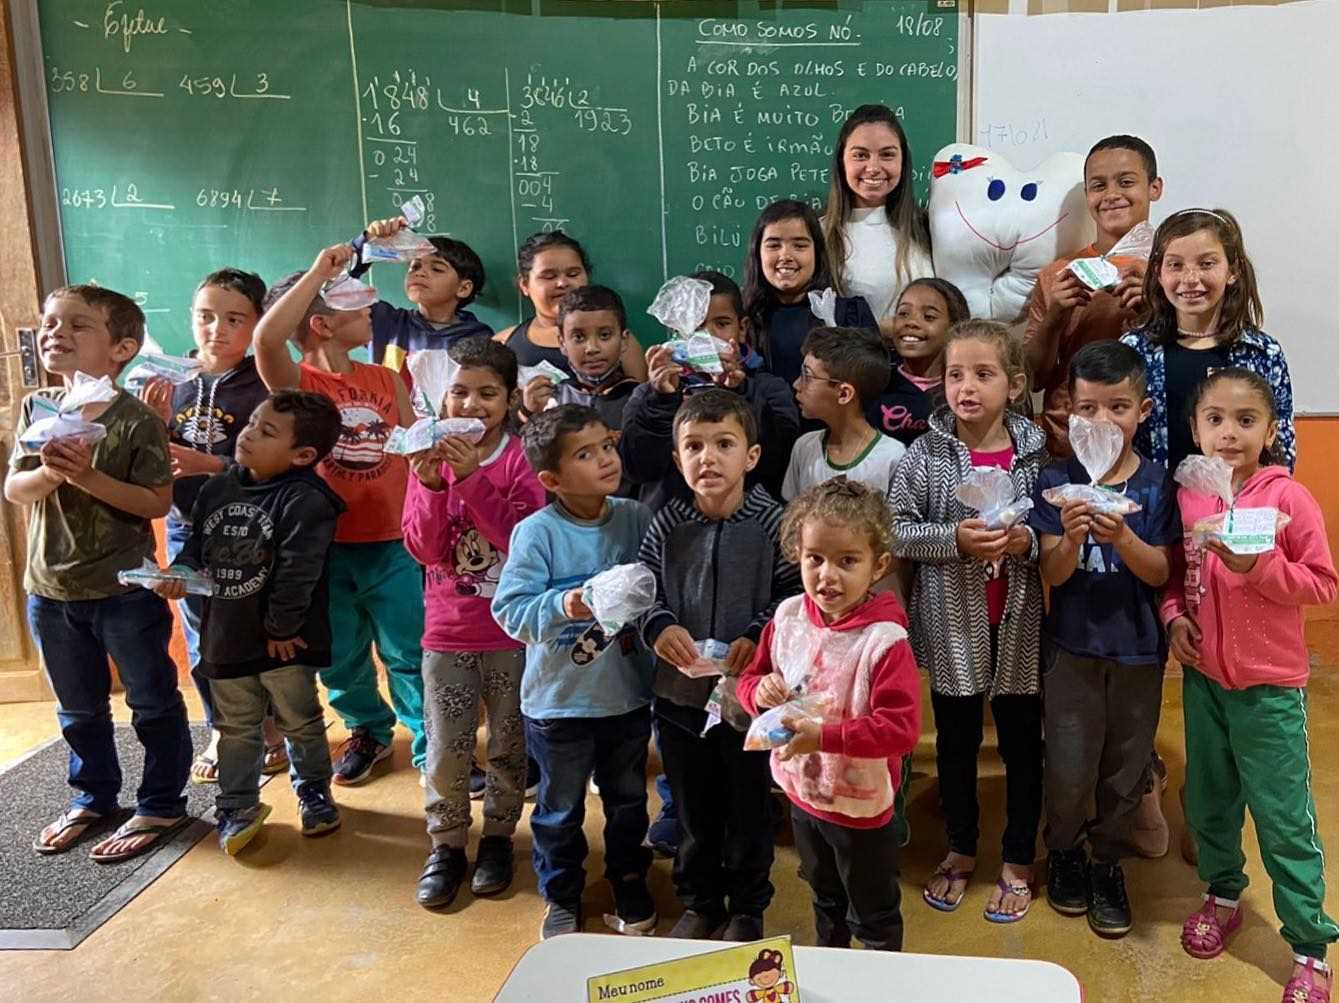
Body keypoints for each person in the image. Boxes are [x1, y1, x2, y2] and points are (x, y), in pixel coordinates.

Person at [1163, 369, 1338, 1003]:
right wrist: (1173, 618)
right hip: (1205, 681)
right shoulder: (1189, 497)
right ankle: (1222, 892)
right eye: (1215, 419)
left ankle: (1310, 946)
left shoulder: (1288, 500)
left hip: (1270, 690)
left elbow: (1323, 583)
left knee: (1284, 818)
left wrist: (1259, 567)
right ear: (1194, 428)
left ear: (1269, 430)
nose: (1229, 433)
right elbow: (1176, 578)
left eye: (1245, 420)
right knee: (1209, 801)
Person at [10, 285, 192, 863]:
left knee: (152, 700)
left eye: (76, 325)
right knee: (78, 706)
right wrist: (52, 474)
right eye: (49, 324)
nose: (55, 334)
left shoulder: (136, 420)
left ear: (122, 349)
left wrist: (84, 475)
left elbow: (155, 503)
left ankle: (161, 802)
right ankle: (92, 798)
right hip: (49, 587)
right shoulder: (37, 406)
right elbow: (16, 487)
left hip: (124, 589)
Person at [887, 320, 1045, 923]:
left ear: (1015, 383)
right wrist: (954, 538)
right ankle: (959, 847)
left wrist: (1025, 539)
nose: (967, 387)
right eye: (956, 374)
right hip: (954, 622)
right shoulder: (922, 455)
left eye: (984, 374)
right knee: (956, 743)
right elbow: (897, 530)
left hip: (1020, 622)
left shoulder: (1034, 452)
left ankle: (1017, 855)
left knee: (1022, 743)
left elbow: (1052, 530)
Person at [253, 244, 427, 785]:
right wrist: (318, 274)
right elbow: (265, 338)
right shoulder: (300, 385)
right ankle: (368, 731)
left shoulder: (386, 378)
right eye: (356, 305)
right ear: (323, 324)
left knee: (409, 648)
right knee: (342, 655)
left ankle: (433, 743)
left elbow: (412, 448)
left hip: (393, 542)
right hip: (323, 549)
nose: (371, 311)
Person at [640, 389, 802, 941]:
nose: (708, 458)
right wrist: (659, 626)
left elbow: (790, 596)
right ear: (677, 457)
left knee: (747, 804)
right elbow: (643, 591)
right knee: (691, 804)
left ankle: (749, 905)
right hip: (680, 700)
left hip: (747, 700)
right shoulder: (667, 523)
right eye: (694, 446)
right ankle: (700, 899)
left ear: (751, 457)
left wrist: (757, 635)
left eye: (724, 444)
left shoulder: (773, 523)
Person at [491, 405, 656, 940]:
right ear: (552, 480)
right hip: (559, 704)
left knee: (629, 800)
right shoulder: (536, 533)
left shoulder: (634, 516)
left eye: (606, 446)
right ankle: (561, 894)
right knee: (559, 811)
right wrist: (570, 604)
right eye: (585, 455)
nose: (605, 459)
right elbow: (511, 612)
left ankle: (629, 877)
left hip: (627, 698)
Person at [155, 391, 346, 854]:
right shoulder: (217, 488)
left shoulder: (307, 499)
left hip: (285, 641)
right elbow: (196, 550)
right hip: (227, 634)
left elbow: (299, 570)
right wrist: (180, 573)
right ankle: (237, 804)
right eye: (252, 423)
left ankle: (314, 791)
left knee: (299, 720)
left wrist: (281, 628)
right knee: (236, 726)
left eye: (267, 431)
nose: (249, 433)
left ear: (302, 455)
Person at [1031, 341, 1178, 937]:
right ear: (1068, 411)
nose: (1101, 422)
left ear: (1142, 411)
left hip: (1140, 652)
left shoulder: (1156, 485)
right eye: (1087, 409)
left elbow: (1162, 572)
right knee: (1068, 763)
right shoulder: (1054, 481)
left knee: (1125, 765)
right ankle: (1064, 851)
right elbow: (1052, 572)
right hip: (1072, 651)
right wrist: (1069, 538)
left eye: (1117, 407)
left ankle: (1107, 860)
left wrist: (1122, 539)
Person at [737, 479, 921, 951]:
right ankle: (833, 966)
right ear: (797, 554)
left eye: (847, 561)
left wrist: (824, 737)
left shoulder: (884, 643)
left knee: (874, 915)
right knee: (824, 900)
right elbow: (747, 683)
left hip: (862, 811)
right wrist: (761, 691)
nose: (827, 576)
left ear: (878, 566)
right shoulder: (788, 617)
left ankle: (879, 978)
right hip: (802, 796)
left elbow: (900, 730)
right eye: (814, 558)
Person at [402, 337, 546, 909]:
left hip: (511, 636)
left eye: (487, 393)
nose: (471, 404)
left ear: (511, 399)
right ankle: (446, 845)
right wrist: (435, 485)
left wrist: (469, 482)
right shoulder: (428, 459)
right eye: (459, 391)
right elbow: (425, 548)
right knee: (447, 747)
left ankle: (497, 839)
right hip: (448, 633)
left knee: (510, 745)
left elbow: (524, 540)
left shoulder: (521, 458)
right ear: (442, 399)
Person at [141, 268, 277, 785]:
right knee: (201, 634)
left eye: (233, 318)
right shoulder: (168, 379)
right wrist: (152, 425)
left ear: (258, 322)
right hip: (185, 527)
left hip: (248, 529)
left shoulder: (264, 380)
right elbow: (148, 457)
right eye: (205, 317)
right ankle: (223, 727)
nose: (216, 329)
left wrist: (213, 466)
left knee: (255, 631)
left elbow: (279, 466)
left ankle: (268, 727)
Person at [1121, 208, 1293, 474]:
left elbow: (1281, 449)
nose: (1190, 279)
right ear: (1158, 272)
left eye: (1206, 263)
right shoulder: (1134, 349)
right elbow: (1119, 440)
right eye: (1175, 265)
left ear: (1232, 271)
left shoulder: (1262, 352)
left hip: (1236, 508)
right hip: (1155, 509)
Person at [1025, 135, 1163, 458]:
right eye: (1098, 186)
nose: (1111, 195)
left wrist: (1155, 308)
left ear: (1154, 187)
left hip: (1151, 443)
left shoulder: (1174, 272)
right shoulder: (1057, 274)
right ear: (1087, 195)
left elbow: (1196, 353)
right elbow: (1032, 378)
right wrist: (1054, 317)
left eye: (1126, 182)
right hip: (1068, 446)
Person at [622, 270, 799, 512]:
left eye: (722, 324)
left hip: (750, 528)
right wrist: (662, 401)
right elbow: (638, 469)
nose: (709, 336)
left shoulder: (768, 389)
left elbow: (777, 464)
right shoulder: (649, 394)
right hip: (671, 532)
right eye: (696, 325)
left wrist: (740, 392)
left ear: (742, 328)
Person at [821, 103, 934, 333]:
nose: (873, 167)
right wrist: (893, 330)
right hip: (854, 365)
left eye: (887, 155)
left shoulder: (930, 228)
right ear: (842, 161)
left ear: (903, 160)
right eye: (860, 155)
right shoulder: (818, 234)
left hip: (928, 367)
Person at [743, 199, 879, 390]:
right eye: (773, 245)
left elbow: (872, 387)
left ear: (817, 253)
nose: (786, 256)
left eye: (799, 246)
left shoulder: (850, 315)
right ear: (757, 253)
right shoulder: (742, 322)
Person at [350, 215, 493, 378]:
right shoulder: (383, 321)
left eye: (437, 269)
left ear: (463, 288)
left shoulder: (477, 338)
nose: (420, 273)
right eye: (415, 266)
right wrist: (365, 246)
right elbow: (331, 296)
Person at [494, 230, 647, 381]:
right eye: (549, 276)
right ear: (525, 284)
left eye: (573, 274)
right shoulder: (504, 343)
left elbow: (641, 400)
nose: (562, 283)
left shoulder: (618, 340)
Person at [782, 326, 906, 501]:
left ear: (844, 394)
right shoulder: (804, 447)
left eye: (807, 376)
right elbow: (791, 516)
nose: (796, 384)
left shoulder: (893, 457)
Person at [521, 285, 641, 433]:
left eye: (604, 335)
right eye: (578, 337)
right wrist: (530, 413)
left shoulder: (640, 399)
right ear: (562, 343)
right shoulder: (552, 401)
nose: (591, 348)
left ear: (623, 340)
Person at [866, 278, 969, 448]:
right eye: (903, 313)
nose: (911, 322)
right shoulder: (874, 384)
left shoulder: (965, 391)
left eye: (929, 317)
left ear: (954, 327)